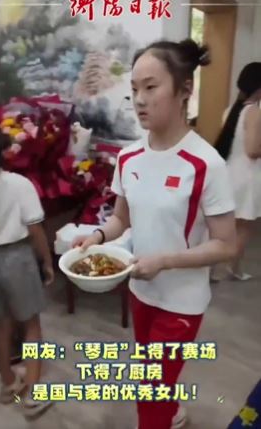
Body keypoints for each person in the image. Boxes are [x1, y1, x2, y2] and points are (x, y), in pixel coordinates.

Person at [72, 38, 237, 429]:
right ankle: (173, 407)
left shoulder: (206, 164)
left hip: (181, 301)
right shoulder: (129, 156)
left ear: (184, 90)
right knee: (152, 371)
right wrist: (95, 237)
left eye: (151, 87)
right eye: (134, 89)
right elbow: (121, 221)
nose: (140, 99)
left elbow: (226, 244)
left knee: (150, 390)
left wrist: (165, 260)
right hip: (140, 290)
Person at [0, 114, 54, 418]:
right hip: (18, 260)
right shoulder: (19, 185)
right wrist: (47, 262)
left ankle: (8, 382)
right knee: (31, 324)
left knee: (1, 323)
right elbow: (36, 230)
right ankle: (33, 395)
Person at [215, 63, 261, 281]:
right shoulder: (254, 112)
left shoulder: (230, 111)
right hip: (247, 177)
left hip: (229, 173)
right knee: (242, 229)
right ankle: (234, 268)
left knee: (222, 229)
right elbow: (252, 151)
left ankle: (210, 269)